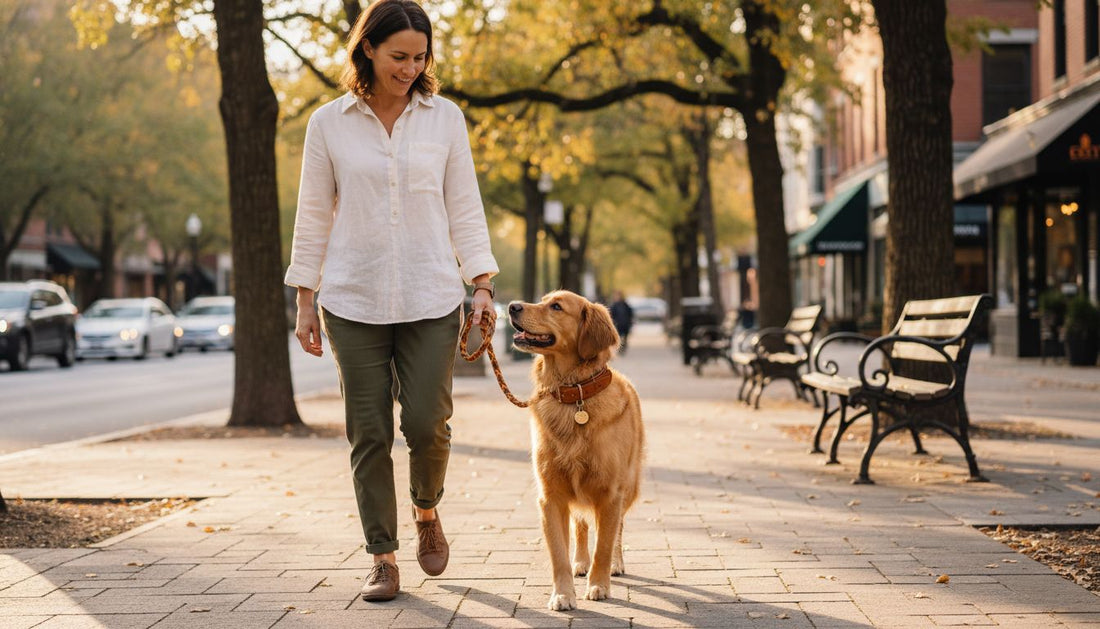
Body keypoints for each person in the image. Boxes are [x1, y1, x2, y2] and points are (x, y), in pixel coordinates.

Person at [284, 0, 498, 603]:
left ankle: (426, 509)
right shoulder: (328, 123)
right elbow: (312, 215)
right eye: (398, 55)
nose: (410, 67)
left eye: (420, 56)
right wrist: (305, 299)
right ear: (368, 50)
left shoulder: (445, 119)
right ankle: (382, 555)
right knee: (369, 431)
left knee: (429, 425)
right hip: (352, 298)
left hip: (433, 294)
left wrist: (481, 283)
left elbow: (465, 205)